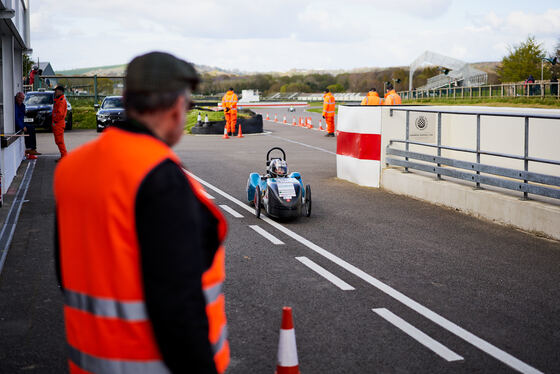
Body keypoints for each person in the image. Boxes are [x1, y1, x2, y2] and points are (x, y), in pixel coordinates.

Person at [53, 51, 229, 374]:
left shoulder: (71, 169)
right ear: (177, 108)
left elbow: (67, 275)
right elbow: (179, 309)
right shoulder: (160, 178)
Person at [15, 92, 41, 156]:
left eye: (23, 98)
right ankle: (29, 148)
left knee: (32, 127)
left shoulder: (22, 106)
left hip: (21, 122)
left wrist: (24, 124)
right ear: (17, 97)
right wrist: (22, 126)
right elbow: (16, 118)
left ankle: (32, 149)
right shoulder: (14, 106)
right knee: (29, 128)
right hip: (16, 124)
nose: (22, 100)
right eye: (20, 98)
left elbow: (22, 117)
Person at [52, 85, 68, 161]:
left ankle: (64, 156)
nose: (55, 92)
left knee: (59, 141)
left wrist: (55, 120)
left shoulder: (61, 101)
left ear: (60, 91)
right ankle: (63, 156)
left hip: (58, 123)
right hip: (57, 123)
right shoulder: (59, 99)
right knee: (58, 141)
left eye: (56, 90)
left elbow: (60, 114)